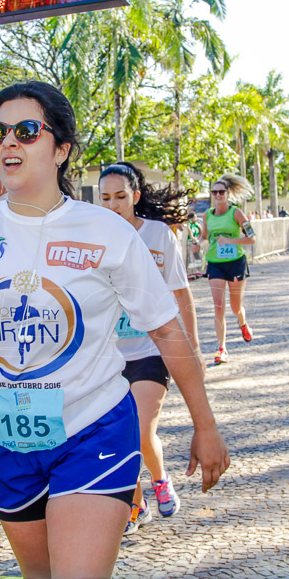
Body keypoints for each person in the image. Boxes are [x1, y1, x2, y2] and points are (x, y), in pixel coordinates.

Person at [0, 81, 229, 579]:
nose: (8, 144)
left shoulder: (105, 230)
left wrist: (204, 425)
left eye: (27, 130)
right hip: (1, 438)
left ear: (62, 148)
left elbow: (168, 332)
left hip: (94, 429)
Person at [98, 162, 205, 536]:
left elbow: (180, 291)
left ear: (136, 197)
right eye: (105, 198)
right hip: (108, 356)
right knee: (118, 435)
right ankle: (135, 500)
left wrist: (192, 347)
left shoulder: (159, 235)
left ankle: (159, 480)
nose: (113, 205)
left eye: (121, 197)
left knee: (141, 430)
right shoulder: (93, 236)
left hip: (151, 351)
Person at [191, 174, 255, 364]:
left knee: (236, 308)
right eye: (214, 192)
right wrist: (198, 245)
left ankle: (242, 322)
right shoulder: (208, 215)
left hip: (235, 261)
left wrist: (231, 240)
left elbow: (252, 237)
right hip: (215, 262)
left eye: (221, 192)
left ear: (228, 193)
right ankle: (222, 348)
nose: (218, 195)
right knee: (218, 306)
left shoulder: (236, 213)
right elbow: (205, 237)